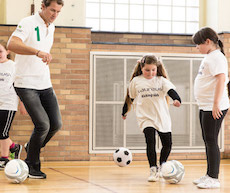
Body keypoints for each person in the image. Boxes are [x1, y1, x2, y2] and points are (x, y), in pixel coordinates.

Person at [7, 0, 64, 179]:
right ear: (43, 7)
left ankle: (31, 148)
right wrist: (37, 52)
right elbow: (12, 45)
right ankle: (32, 165)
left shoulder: (51, 27)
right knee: (43, 125)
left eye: (58, 12)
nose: (55, 14)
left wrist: (44, 55)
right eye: (52, 10)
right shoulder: (28, 22)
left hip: (45, 83)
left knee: (55, 124)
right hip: (25, 83)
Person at [122, 55, 181, 182]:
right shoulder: (136, 81)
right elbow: (130, 98)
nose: (150, 73)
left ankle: (162, 166)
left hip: (161, 116)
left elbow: (171, 91)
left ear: (157, 68)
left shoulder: (161, 80)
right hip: (145, 117)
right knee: (150, 140)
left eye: (153, 70)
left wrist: (177, 99)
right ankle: (153, 169)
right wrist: (124, 111)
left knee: (167, 144)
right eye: (147, 70)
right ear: (141, 68)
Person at [192, 27, 229, 189]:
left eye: (198, 44)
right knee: (208, 140)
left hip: (213, 107)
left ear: (207, 42)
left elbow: (221, 80)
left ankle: (214, 178)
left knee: (212, 141)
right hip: (205, 106)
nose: (196, 47)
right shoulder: (210, 56)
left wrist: (215, 105)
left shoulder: (216, 57)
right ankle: (209, 174)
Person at [0, 41, 23, 169]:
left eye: (0, 51)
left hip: (8, 103)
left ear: (7, 52)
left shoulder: (13, 66)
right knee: (0, 132)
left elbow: (19, 85)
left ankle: (4, 158)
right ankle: (14, 147)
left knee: (3, 132)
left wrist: (22, 104)